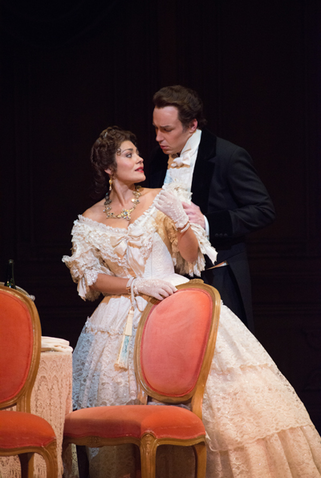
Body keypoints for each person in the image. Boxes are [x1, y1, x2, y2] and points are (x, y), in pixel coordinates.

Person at [63, 126, 321, 478]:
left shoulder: (159, 198)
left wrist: (182, 222)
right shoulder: (90, 220)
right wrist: (136, 284)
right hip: (120, 313)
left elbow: (191, 257)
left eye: (137, 152)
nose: (139, 158)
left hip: (174, 305)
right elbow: (90, 277)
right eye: (128, 154)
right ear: (109, 168)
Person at [147, 85, 276, 332]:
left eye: (167, 129)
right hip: (172, 282)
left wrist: (207, 222)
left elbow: (264, 210)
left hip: (219, 277)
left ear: (192, 125)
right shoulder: (157, 158)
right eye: (156, 128)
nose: (158, 137)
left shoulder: (228, 155)